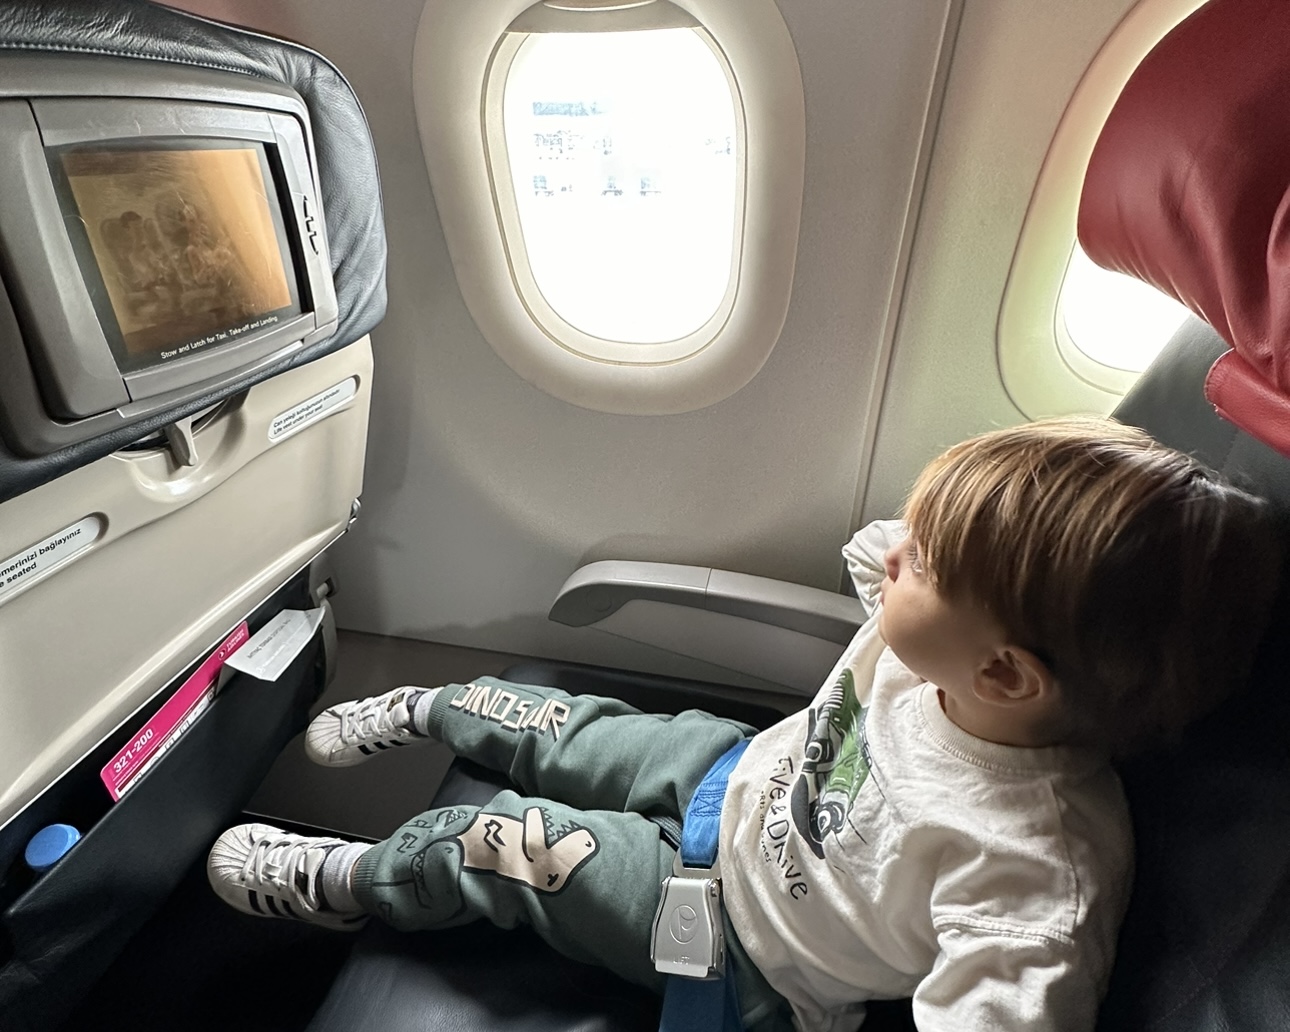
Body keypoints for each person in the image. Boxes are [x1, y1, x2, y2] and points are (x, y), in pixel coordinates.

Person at [206, 416, 1282, 1032]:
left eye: (925, 561)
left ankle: (354, 881)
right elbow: (880, 554)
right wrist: (953, 539)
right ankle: (430, 708)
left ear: (1004, 673)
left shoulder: (1034, 868)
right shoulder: (943, 649)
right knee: (552, 720)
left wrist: (959, 562)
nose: (894, 557)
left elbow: (1005, 1010)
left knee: (503, 846)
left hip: (737, 939)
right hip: (735, 777)